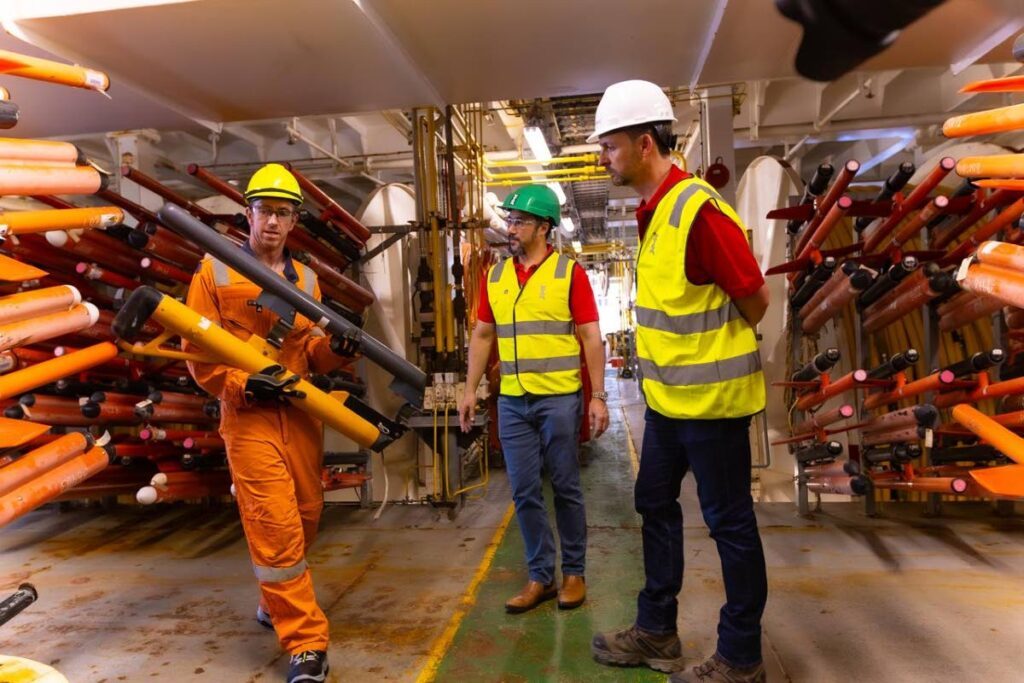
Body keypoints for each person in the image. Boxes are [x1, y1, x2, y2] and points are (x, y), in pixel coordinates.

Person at [587, 80, 770, 683]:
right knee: (653, 502)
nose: (602, 157)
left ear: (644, 143)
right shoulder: (656, 211)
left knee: (729, 523)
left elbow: (756, 299)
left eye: (610, 145)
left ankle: (741, 658)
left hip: (714, 404)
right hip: (668, 404)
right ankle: (656, 631)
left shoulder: (697, 208)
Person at [185, 163, 359, 683]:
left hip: (301, 415)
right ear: (249, 212)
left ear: (294, 221)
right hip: (250, 420)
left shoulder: (305, 279)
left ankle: (273, 601)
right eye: (265, 211)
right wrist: (242, 384)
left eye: (284, 213)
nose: (274, 223)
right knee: (276, 526)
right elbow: (199, 353)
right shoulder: (214, 271)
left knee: (305, 515)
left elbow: (308, 349)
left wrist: (336, 350)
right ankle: (306, 643)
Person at [458, 184, 609, 614]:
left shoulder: (568, 273)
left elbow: (590, 336)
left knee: (565, 486)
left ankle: (574, 572)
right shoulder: (497, 275)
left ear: (544, 227)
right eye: (509, 220)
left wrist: (597, 396)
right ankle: (540, 576)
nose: (511, 228)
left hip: (559, 399)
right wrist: (471, 389)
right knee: (524, 490)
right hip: (513, 401)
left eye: (519, 221)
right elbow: (484, 334)